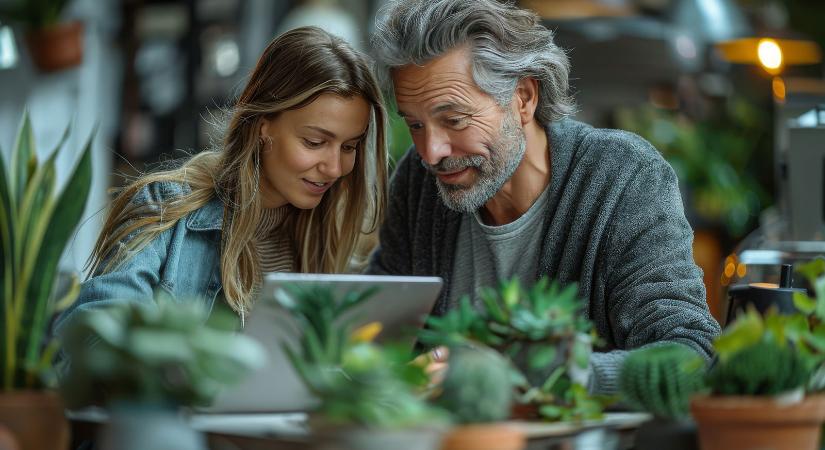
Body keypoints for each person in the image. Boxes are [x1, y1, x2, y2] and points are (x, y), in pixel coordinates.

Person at [368, 0, 721, 395]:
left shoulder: (623, 178)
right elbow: (379, 333)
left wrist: (551, 374)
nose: (431, 152)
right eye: (415, 124)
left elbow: (691, 355)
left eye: (454, 120)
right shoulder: (419, 186)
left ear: (523, 98)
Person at [56, 26, 388, 331]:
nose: (334, 167)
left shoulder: (337, 231)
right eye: (315, 142)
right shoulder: (166, 207)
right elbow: (94, 333)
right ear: (264, 127)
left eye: (350, 146)